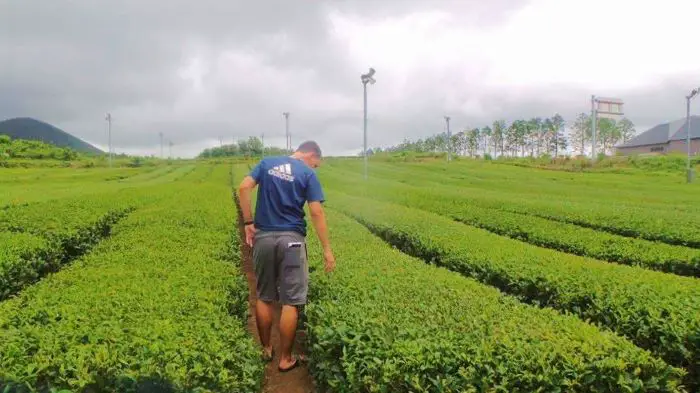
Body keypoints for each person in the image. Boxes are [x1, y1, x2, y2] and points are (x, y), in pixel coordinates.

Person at [237, 140, 335, 373]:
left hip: (263, 237)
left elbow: (243, 187)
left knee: (264, 296)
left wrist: (249, 223)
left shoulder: (267, 163)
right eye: (316, 164)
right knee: (291, 301)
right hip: (291, 239)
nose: (315, 168)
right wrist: (327, 250)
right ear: (311, 154)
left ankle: (266, 349)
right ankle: (285, 358)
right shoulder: (306, 174)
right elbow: (316, 211)